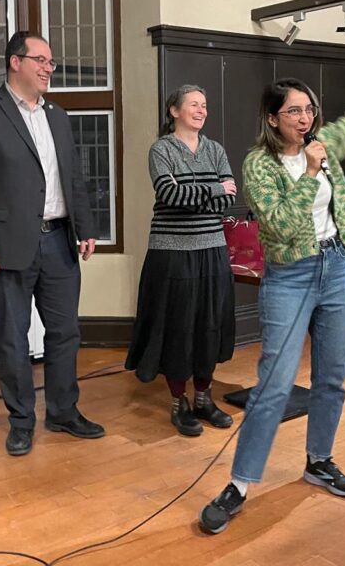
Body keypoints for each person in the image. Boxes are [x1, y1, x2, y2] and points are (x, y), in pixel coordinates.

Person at [198, 40, 345, 534]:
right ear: (273, 119)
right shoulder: (259, 164)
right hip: (290, 275)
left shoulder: (323, 147)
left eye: (309, 109)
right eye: (294, 111)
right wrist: (310, 172)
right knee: (274, 386)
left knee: (332, 378)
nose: (305, 118)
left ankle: (318, 460)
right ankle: (239, 483)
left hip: (336, 268)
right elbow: (278, 225)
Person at [0, 31, 103, 458]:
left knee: (64, 333)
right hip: (5, 246)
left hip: (58, 241)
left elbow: (73, 177)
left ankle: (63, 411)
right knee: (14, 339)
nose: (48, 68)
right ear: (14, 62)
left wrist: (85, 227)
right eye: (40, 60)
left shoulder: (57, 116)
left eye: (51, 62)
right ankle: (21, 421)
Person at [125, 85, 237, 436]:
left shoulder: (215, 150)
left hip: (212, 251)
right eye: (193, 104)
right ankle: (179, 402)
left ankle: (203, 397)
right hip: (172, 253)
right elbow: (169, 194)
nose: (201, 110)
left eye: (205, 105)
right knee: (177, 328)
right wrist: (216, 190)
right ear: (174, 110)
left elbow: (229, 200)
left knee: (209, 324)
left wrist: (208, 195)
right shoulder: (161, 150)